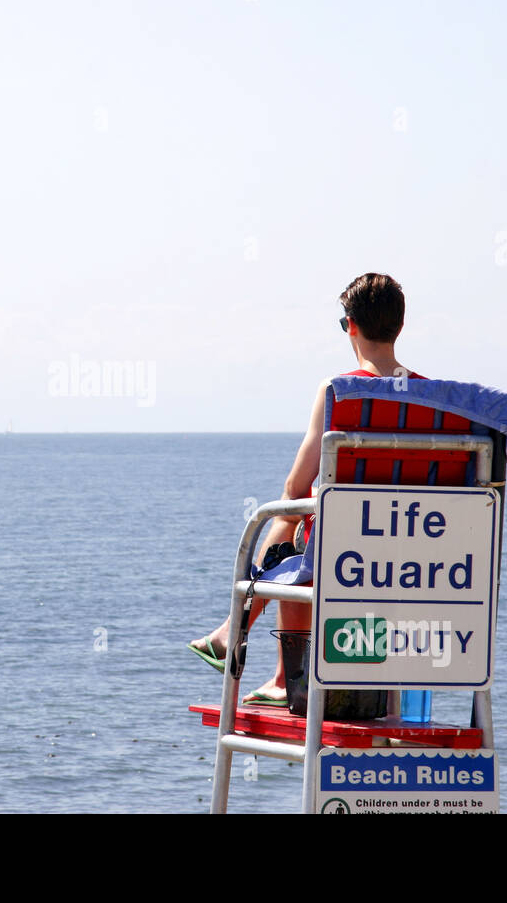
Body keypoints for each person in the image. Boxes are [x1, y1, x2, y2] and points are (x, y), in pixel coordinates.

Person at [187, 273, 426, 705]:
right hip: (420, 555)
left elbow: (295, 486)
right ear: (400, 326)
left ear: (351, 326)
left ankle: (256, 652)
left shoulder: (339, 390)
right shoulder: (431, 397)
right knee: (305, 528)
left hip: (353, 550)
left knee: (291, 521)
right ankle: (267, 665)